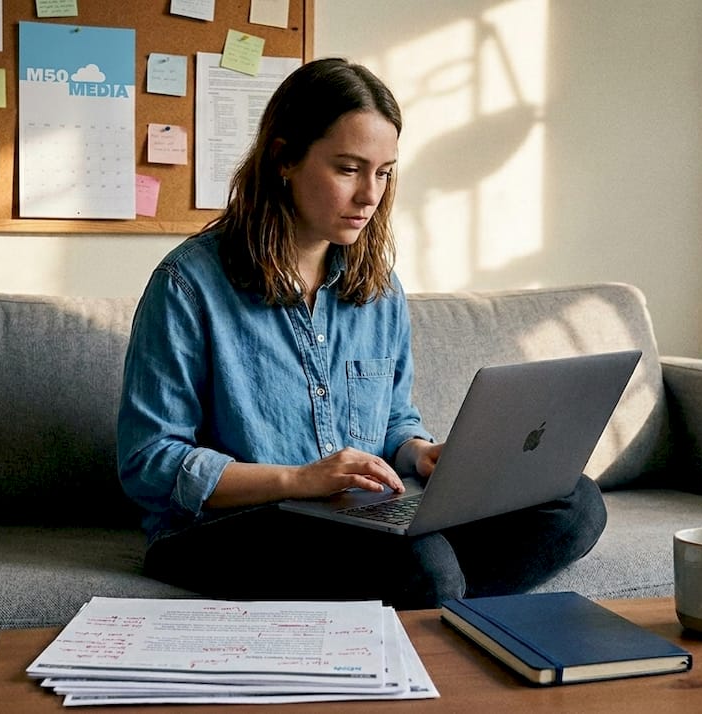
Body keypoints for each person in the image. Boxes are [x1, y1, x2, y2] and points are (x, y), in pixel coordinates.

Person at [117, 57, 606, 609]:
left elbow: (393, 418)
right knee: (424, 565)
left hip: (355, 515)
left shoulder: (378, 287)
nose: (369, 195)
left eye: (384, 171)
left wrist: (419, 454)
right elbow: (149, 461)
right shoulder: (188, 285)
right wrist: (297, 480)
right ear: (284, 158)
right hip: (228, 525)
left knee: (573, 502)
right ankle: (437, 599)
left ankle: (437, 601)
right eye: (348, 169)